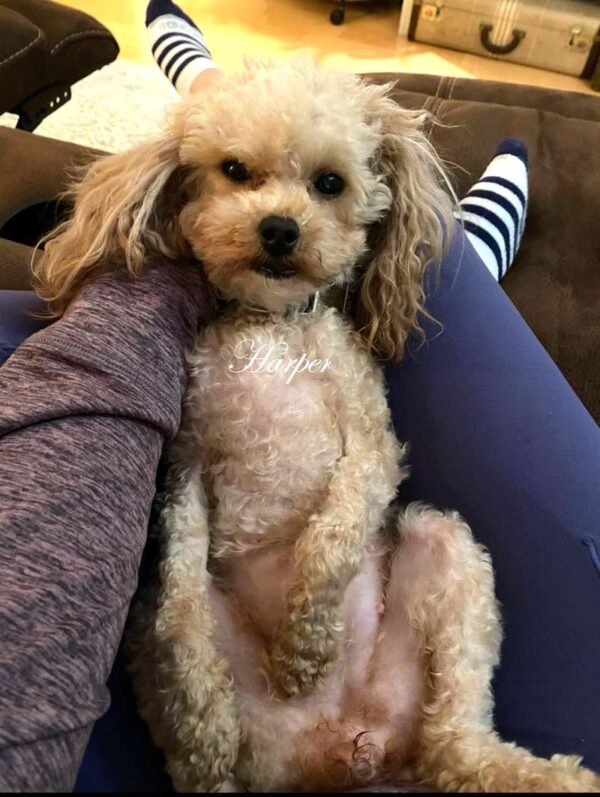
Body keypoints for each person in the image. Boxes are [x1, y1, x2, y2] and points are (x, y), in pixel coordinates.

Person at [0, 3, 598, 791]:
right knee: (448, 269)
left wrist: (328, 566)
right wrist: (188, 643)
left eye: (323, 184)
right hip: (271, 691)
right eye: (238, 175)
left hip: (354, 611)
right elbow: (182, 505)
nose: (281, 218)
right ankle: (472, 238)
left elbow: (369, 460)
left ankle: (210, 86)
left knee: (434, 535)